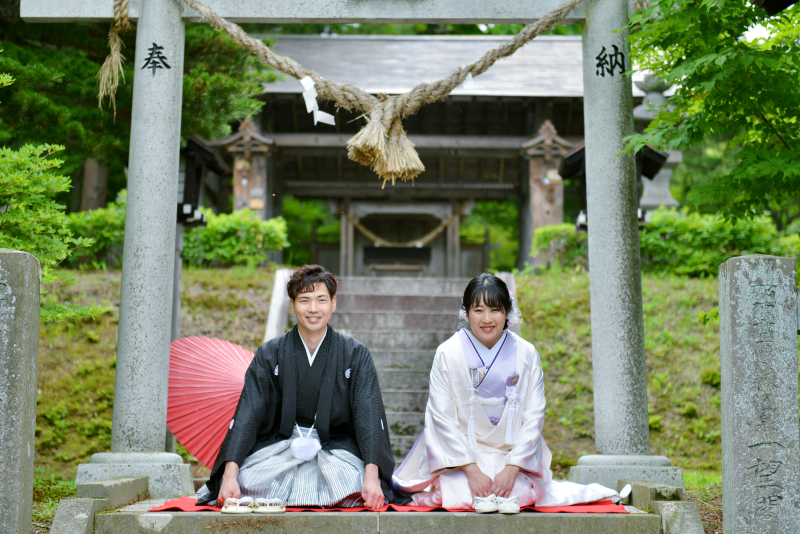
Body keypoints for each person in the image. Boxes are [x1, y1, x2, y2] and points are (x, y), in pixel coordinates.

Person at [392, 273, 619, 511]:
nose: (487, 319)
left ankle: (508, 484)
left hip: (512, 456)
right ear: (466, 312)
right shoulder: (447, 353)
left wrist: (512, 469)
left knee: (518, 491)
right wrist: (471, 470)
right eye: (478, 310)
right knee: (457, 490)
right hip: (463, 459)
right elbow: (441, 417)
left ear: (507, 312)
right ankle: (476, 484)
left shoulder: (526, 354)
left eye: (495, 310)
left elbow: (534, 416)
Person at [196, 265, 396, 509]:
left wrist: (372, 478)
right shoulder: (270, 353)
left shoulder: (355, 354)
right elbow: (249, 412)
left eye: (321, 300)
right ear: (292, 305)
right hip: (282, 447)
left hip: (336, 451)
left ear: (333, 303)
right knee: (245, 479)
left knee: (355, 480)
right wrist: (229, 475)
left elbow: (369, 416)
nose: (313, 309)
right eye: (304, 300)